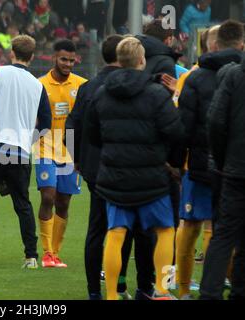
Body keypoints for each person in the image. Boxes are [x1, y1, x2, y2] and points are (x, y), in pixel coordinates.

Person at [84, 37, 184, 300]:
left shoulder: (101, 94)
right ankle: (161, 290)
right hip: (151, 176)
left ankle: (111, 296)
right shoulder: (155, 94)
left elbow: (92, 135)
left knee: (115, 233)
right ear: (142, 60)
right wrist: (171, 163)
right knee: (164, 230)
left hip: (114, 176)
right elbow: (175, 132)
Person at [0, 34, 51, 269]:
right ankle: (31, 256)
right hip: (20, 151)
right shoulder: (38, 85)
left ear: (11, 52)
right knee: (22, 204)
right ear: (32, 57)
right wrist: (27, 139)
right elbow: (46, 123)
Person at [67, 34, 139, 300]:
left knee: (96, 229)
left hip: (95, 167)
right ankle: (119, 285)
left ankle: (94, 291)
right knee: (126, 228)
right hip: (128, 166)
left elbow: (71, 125)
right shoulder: (135, 85)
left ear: (102, 56)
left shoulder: (88, 87)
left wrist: (76, 158)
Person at [178, 20, 244, 299]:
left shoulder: (214, 76)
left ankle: (197, 289)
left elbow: (209, 122)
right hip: (224, 164)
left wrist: (219, 157)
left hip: (224, 166)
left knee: (216, 231)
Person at [199, 20, 245, 300]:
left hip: (235, 168)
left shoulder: (232, 75)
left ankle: (210, 293)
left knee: (224, 234)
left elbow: (215, 121)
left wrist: (222, 156)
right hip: (234, 166)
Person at [34, 39, 86, 269]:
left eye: (71, 60)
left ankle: (56, 253)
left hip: (72, 151)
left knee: (64, 202)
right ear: (54, 57)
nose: (68, 64)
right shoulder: (39, 85)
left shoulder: (82, 85)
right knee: (48, 197)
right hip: (45, 147)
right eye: (64, 59)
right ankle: (46, 252)